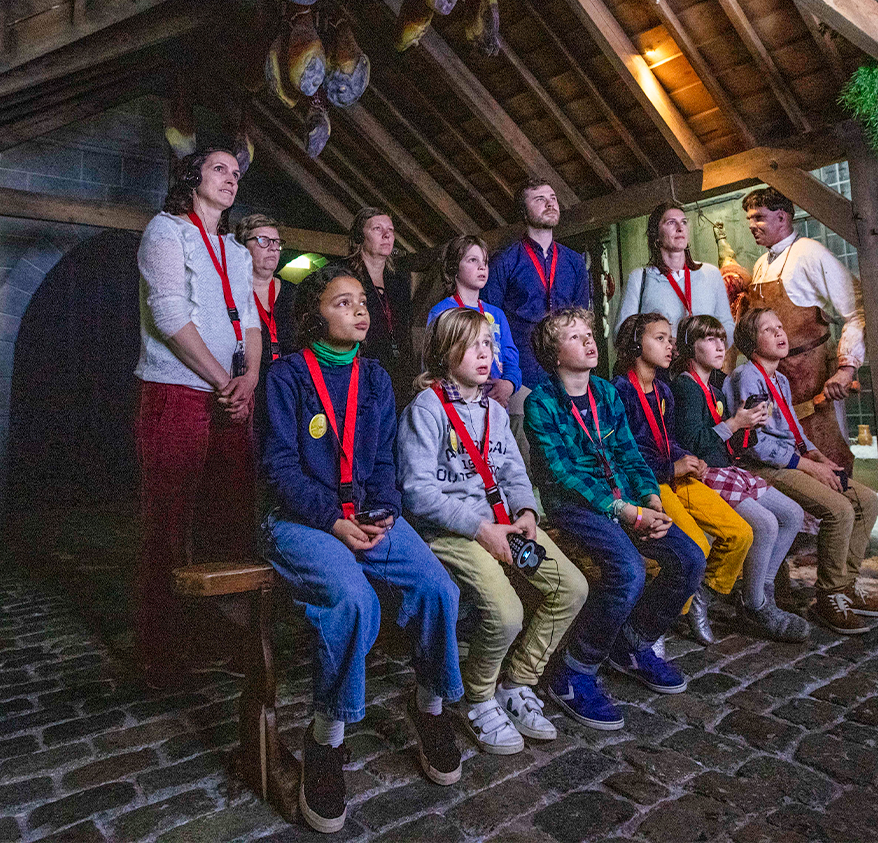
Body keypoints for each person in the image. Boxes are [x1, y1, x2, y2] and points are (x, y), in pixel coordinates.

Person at [258, 265, 463, 832]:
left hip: (367, 515)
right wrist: (332, 520)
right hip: (303, 519)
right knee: (353, 602)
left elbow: (380, 462)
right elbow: (278, 467)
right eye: (341, 302)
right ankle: (327, 738)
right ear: (312, 315)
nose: (359, 310)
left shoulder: (375, 376)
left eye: (362, 302)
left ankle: (429, 707)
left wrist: (384, 512)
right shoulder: (287, 376)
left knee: (437, 588)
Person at [400, 307, 587, 753]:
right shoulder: (425, 411)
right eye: (472, 346)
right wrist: (480, 529)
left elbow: (513, 471)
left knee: (572, 588)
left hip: (505, 522)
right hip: (451, 530)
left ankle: (518, 681)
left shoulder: (494, 411)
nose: (485, 354)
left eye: (489, 344)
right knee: (506, 614)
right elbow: (416, 492)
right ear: (445, 354)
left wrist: (525, 511)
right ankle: (478, 697)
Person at [526, 308, 705, 730]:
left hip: (630, 500)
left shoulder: (605, 393)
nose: (589, 341)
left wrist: (649, 498)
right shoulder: (540, 402)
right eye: (574, 336)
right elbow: (561, 475)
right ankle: (574, 670)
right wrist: (624, 511)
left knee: (690, 558)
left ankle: (632, 644)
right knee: (627, 569)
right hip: (577, 507)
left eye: (590, 333)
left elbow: (629, 453)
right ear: (554, 354)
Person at [132, 141, 262, 685]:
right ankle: (161, 644)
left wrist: (250, 377)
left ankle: (219, 632)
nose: (231, 179)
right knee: (170, 517)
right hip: (177, 389)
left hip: (232, 393)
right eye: (219, 169)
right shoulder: (166, 231)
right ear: (192, 177)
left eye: (235, 172)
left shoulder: (235, 250)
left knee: (229, 513)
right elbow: (168, 315)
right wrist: (222, 379)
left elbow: (251, 317)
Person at [728, 307, 878, 636]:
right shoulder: (747, 376)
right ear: (750, 341)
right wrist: (807, 467)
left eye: (780, 327)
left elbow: (794, 430)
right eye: (768, 330)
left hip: (791, 459)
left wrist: (817, 456)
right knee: (838, 509)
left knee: (867, 501)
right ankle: (829, 596)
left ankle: (844, 586)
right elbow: (754, 444)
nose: (780, 334)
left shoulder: (779, 380)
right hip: (763, 468)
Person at [610, 313, 752, 646]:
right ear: (635, 344)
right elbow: (622, 454)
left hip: (675, 476)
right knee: (696, 546)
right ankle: (657, 620)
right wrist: (670, 468)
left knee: (740, 533)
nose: (670, 344)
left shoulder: (663, 390)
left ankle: (701, 598)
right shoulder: (619, 392)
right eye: (659, 338)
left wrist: (690, 459)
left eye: (671, 338)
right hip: (650, 483)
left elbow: (668, 438)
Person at [670, 314, 810, 642]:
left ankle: (759, 594)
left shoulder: (715, 386)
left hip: (730, 470)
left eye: (722, 338)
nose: (720, 346)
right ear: (690, 348)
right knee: (765, 524)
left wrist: (750, 425)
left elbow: (729, 444)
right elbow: (695, 444)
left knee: (793, 514)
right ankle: (755, 606)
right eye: (709, 339)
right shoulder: (685, 387)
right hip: (706, 475)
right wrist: (735, 423)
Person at [741, 187, 866, 471]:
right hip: (775, 387)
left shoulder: (810, 252)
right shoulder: (761, 264)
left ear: (782, 217)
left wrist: (846, 369)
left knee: (829, 459)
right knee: (791, 470)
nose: (751, 226)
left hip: (815, 384)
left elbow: (858, 308)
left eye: (759, 217)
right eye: (749, 219)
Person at [480, 181, 591, 451]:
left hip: (566, 369)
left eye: (552, 197)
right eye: (539, 199)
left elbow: (582, 319)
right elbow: (488, 323)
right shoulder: (504, 261)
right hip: (521, 370)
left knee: (571, 448)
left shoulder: (575, 262)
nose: (550, 203)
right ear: (523, 210)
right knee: (525, 451)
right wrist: (502, 375)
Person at [615, 203, 735, 357]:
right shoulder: (640, 278)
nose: (680, 227)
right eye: (671, 222)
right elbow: (621, 333)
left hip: (704, 370)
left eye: (684, 222)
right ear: (656, 234)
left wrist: (709, 348)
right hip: (660, 373)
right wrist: (661, 343)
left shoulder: (711, 274)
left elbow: (727, 325)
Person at [425, 235, 521, 406]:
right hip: (458, 403)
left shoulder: (497, 314)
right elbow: (432, 364)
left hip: (495, 403)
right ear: (454, 267)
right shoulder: (441, 312)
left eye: (484, 261)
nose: (482, 266)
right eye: (472, 260)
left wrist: (508, 384)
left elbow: (511, 358)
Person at [346, 206, 415, 406]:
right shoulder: (345, 276)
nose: (387, 235)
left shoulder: (400, 280)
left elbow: (405, 330)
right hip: (360, 371)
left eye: (391, 230)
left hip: (398, 374)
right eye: (377, 229)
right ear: (360, 237)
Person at [234, 212, 296, 370]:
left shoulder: (295, 293)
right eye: (264, 241)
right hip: (247, 385)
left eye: (276, 242)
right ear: (243, 247)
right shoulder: (231, 293)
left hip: (287, 385)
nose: (273, 248)